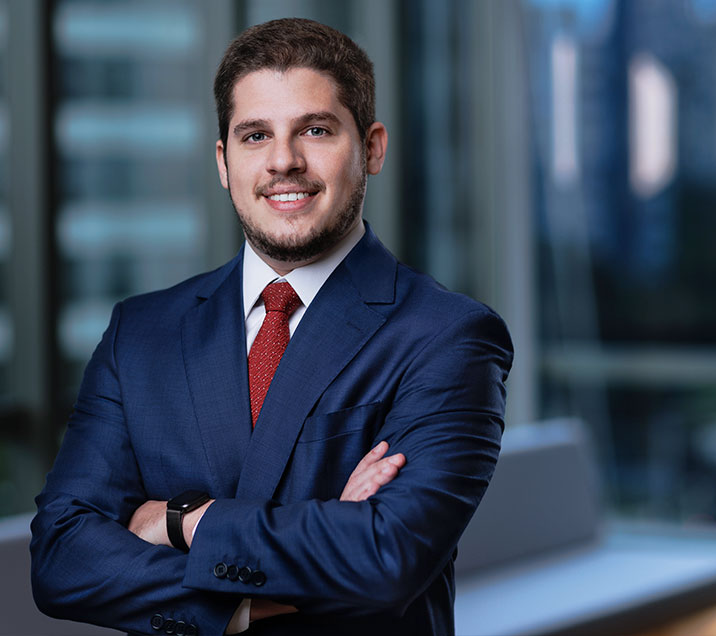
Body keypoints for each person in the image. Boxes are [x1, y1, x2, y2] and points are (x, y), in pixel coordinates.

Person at [30, 17, 513, 636]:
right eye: (255, 135)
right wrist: (255, 592)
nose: (284, 161)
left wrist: (181, 521)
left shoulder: (450, 337)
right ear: (224, 161)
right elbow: (62, 556)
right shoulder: (140, 333)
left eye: (315, 129)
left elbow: (386, 557)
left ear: (371, 147)